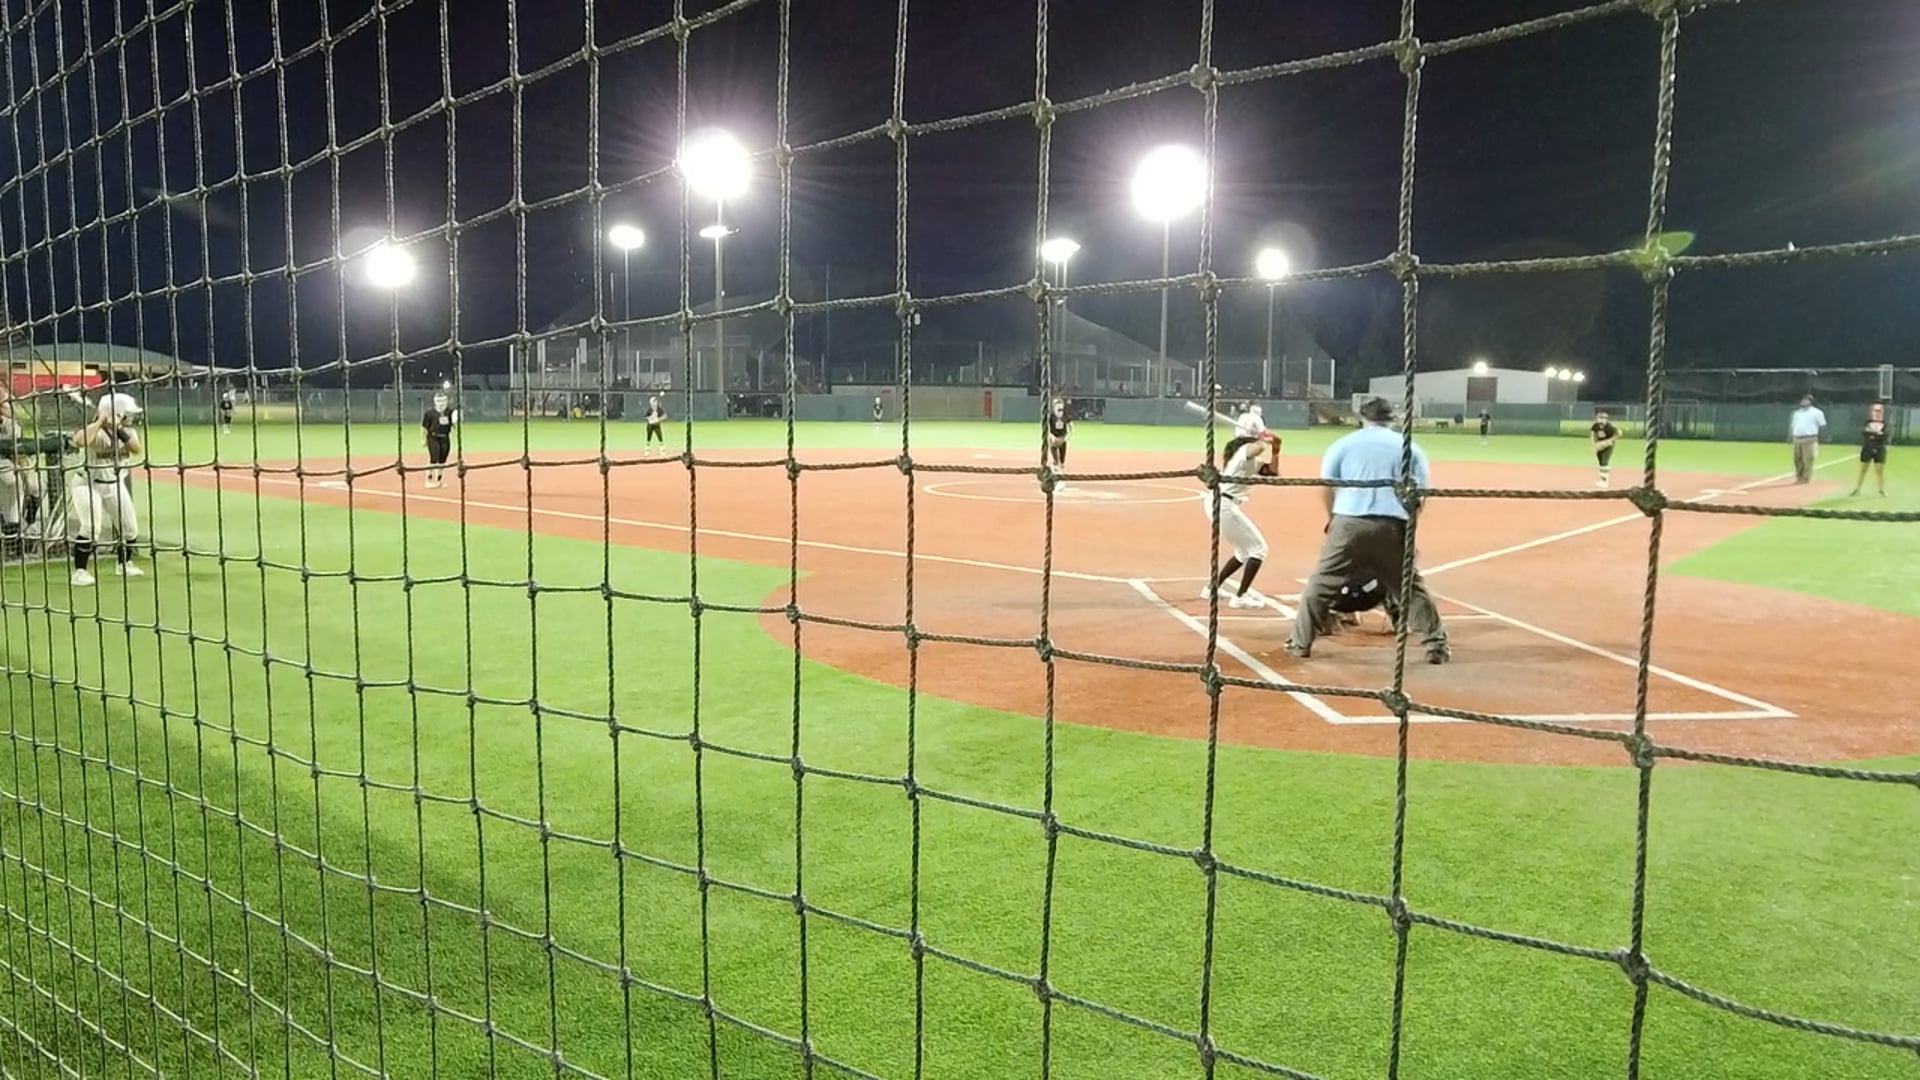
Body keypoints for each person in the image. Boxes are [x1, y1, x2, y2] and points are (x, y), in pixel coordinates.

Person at [1287, 396, 1448, 663]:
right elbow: (1419, 495)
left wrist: (1333, 518)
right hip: (1391, 524)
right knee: (1409, 587)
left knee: (1321, 584)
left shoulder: (1343, 444)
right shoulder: (1409, 447)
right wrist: (1409, 527)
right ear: (1391, 419)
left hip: (1349, 520)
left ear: (1362, 418)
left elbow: (1328, 486)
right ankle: (1436, 645)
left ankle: (1300, 643)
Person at [68, 391, 144, 586]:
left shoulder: (128, 433)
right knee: (91, 527)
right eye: (125, 413)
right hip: (87, 484)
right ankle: (80, 572)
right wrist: (101, 421)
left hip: (114, 485)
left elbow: (136, 449)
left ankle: (124, 564)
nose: (129, 417)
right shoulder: (95, 432)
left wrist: (118, 428)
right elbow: (80, 440)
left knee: (129, 528)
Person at [1201, 430, 1281, 610]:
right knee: (1259, 550)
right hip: (1224, 504)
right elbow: (1257, 448)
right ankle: (1240, 597)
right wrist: (1264, 438)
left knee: (1243, 552)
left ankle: (1212, 588)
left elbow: (1272, 472)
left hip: (1221, 504)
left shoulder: (1249, 462)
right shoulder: (1242, 453)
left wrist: (1276, 450)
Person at [1850, 399, 1888, 497]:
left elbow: (1884, 437)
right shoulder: (1867, 423)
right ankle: (1857, 489)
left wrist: (1874, 435)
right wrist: (1876, 434)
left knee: (1879, 471)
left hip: (1879, 450)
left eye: (1879, 411)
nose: (1877, 413)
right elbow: (1865, 434)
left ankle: (1881, 490)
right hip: (1867, 449)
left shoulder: (1885, 424)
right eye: (1875, 411)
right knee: (1863, 470)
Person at [421, 391, 457, 488]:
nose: (441, 404)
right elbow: (424, 427)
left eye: (443, 401)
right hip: (433, 437)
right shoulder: (429, 413)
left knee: (442, 460)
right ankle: (428, 480)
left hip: (445, 437)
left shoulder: (449, 412)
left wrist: (455, 420)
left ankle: (438, 480)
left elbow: (454, 425)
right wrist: (423, 439)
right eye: (439, 401)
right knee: (434, 458)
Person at [1789, 394, 1825, 484]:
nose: (1803, 402)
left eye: (1806, 400)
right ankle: (1799, 476)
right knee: (1797, 459)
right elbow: (1793, 425)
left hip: (1810, 438)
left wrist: (1821, 437)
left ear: (1810, 402)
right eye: (1803, 400)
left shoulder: (1817, 412)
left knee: (1807, 459)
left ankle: (1806, 477)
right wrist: (1791, 436)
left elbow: (1822, 425)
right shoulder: (1797, 413)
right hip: (1797, 438)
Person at [1590, 409, 1620, 488]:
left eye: (1603, 418)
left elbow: (1619, 433)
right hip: (1600, 444)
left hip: (1608, 445)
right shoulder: (1595, 426)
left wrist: (1609, 441)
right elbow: (1593, 434)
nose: (1601, 420)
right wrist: (1594, 444)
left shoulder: (1609, 426)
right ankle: (1602, 479)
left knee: (1605, 461)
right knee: (1600, 461)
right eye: (1600, 418)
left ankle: (1605, 481)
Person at [1045, 398, 1071, 475]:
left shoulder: (1065, 416)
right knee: (1055, 459)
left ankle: (1061, 469)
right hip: (1054, 439)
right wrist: (1051, 436)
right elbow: (1047, 428)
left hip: (1062, 439)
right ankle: (1055, 466)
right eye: (1058, 408)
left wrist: (1067, 437)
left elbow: (1071, 427)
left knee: (1062, 460)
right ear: (1054, 407)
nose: (1060, 411)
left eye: (1061, 409)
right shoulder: (1051, 417)